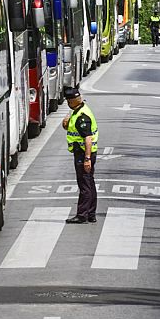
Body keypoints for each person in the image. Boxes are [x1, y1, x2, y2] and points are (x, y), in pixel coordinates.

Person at [60, 87, 99, 224]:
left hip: (83, 154)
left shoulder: (82, 116)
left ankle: (82, 215)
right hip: (85, 153)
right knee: (89, 183)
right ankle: (91, 213)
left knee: (84, 185)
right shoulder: (79, 111)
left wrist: (87, 159)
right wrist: (66, 121)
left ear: (71, 101)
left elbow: (88, 138)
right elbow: (70, 127)